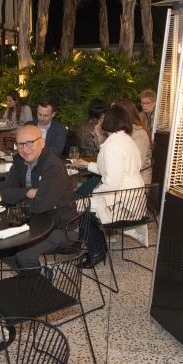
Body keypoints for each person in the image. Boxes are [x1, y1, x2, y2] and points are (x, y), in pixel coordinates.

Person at [0, 124, 77, 270]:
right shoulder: (19, 161)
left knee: (24, 256)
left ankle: (38, 281)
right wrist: (27, 192)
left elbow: (41, 205)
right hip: (33, 222)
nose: (24, 149)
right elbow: (3, 193)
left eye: (29, 143)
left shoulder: (53, 166)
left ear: (42, 142)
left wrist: (16, 201)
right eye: (20, 144)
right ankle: (36, 276)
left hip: (62, 227)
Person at [74, 106, 145, 266]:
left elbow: (112, 182)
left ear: (109, 121)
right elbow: (112, 170)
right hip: (133, 198)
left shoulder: (112, 146)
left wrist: (94, 193)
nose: (99, 123)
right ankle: (93, 245)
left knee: (77, 205)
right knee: (83, 201)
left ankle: (97, 250)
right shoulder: (127, 141)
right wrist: (87, 165)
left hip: (122, 204)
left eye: (102, 119)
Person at [112, 98, 152, 184]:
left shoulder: (139, 133)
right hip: (120, 178)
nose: (109, 115)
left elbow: (135, 164)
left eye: (113, 112)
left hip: (136, 182)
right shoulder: (118, 130)